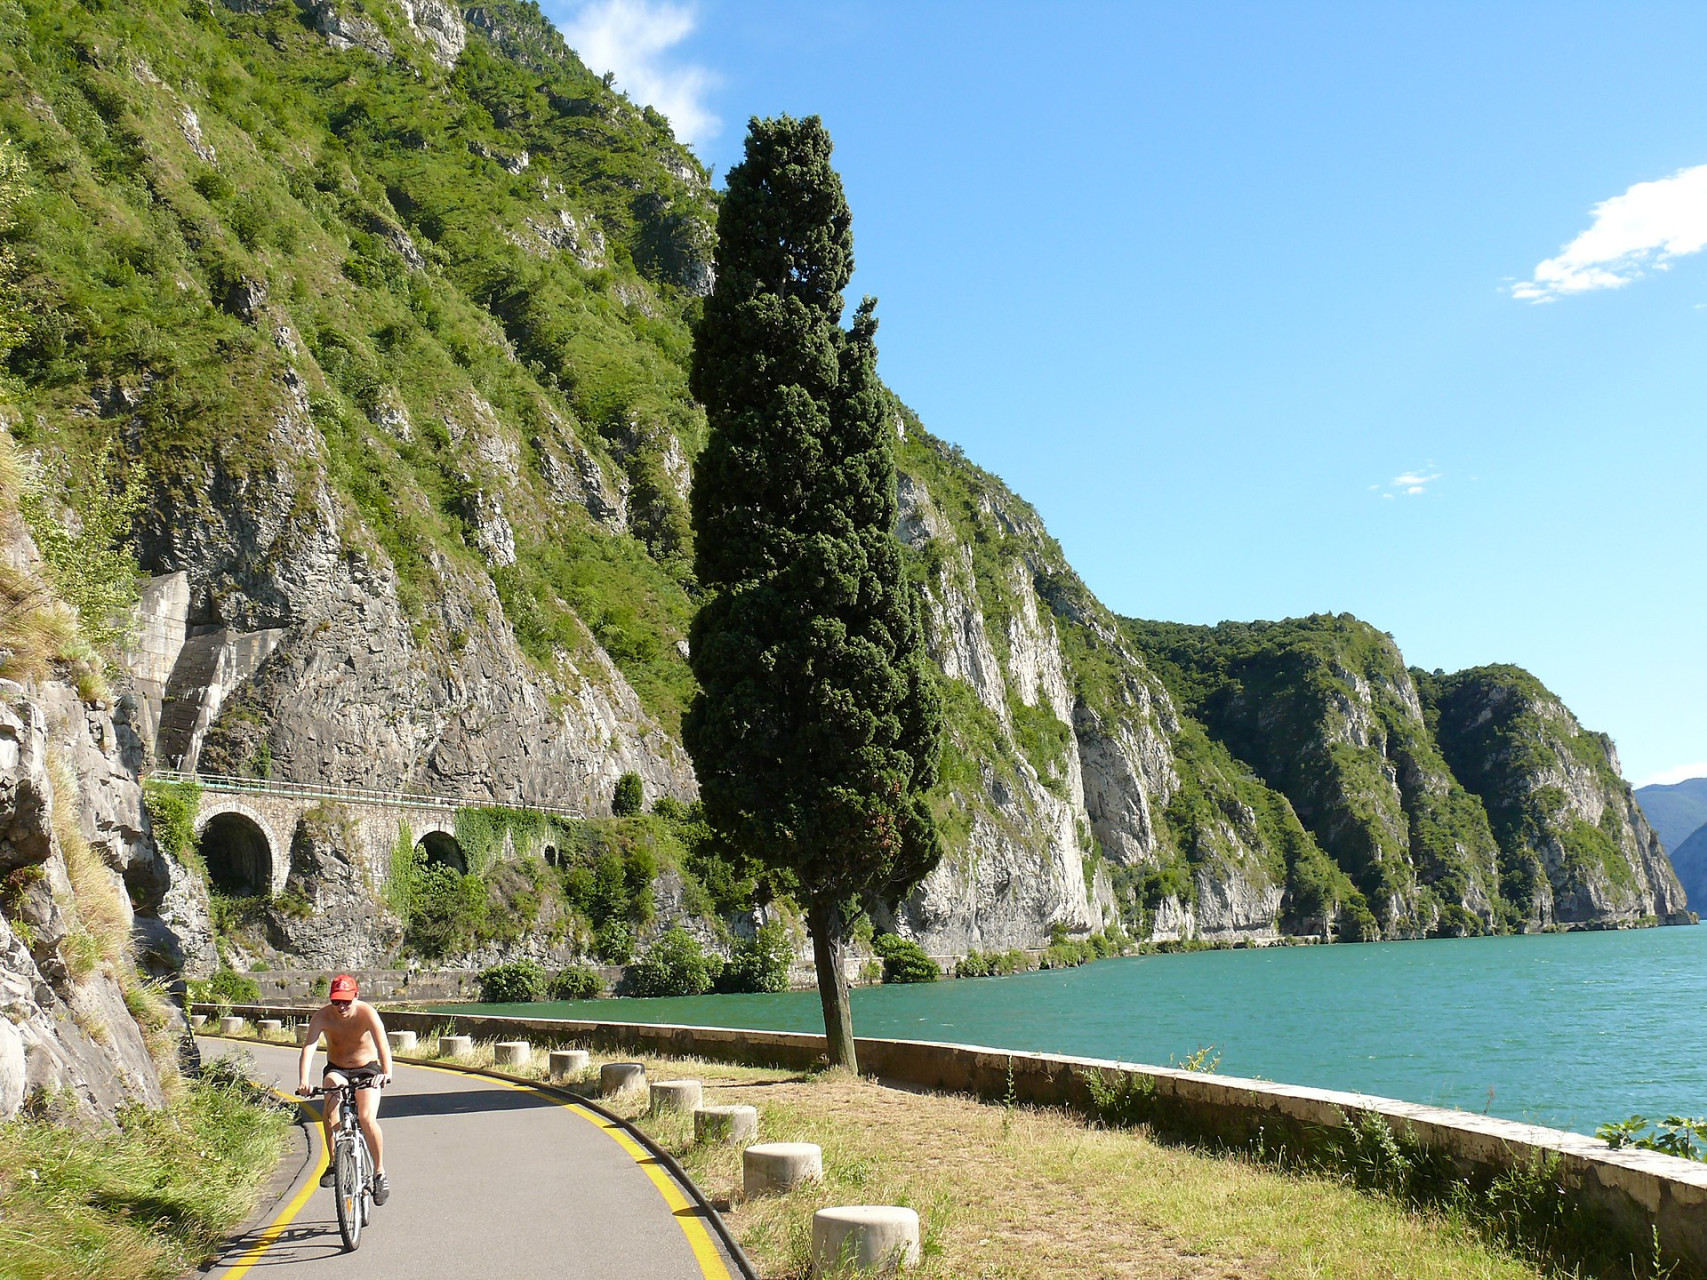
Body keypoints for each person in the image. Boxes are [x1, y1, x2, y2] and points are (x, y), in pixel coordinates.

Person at [296, 974, 393, 1205]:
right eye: (336, 1001)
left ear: (356, 997)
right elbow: (309, 1048)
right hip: (337, 1069)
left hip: (367, 1069)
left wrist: (386, 1073)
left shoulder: (366, 1012)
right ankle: (334, 1163)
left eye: (346, 1001)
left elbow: (383, 1045)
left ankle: (379, 1173)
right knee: (329, 1111)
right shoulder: (322, 1016)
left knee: (366, 1117)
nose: (341, 1007)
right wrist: (304, 1081)